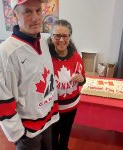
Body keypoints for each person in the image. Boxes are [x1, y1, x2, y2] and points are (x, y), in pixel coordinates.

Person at [0, 0, 59, 150]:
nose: (36, 17)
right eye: (27, 11)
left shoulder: (43, 43)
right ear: (15, 15)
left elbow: (49, 80)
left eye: (38, 10)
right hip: (27, 131)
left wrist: (53, 113)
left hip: (48, 121)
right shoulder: (4, 53)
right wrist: (19, 134)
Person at [47, 19, 86, 150]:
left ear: (70, 37)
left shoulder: (76, 57)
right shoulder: (45, 58)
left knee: (65, 135)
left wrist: (81, 79)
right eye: (57, 36)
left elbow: (83, 80)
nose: (61, 40)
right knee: (52, 138)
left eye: (65, 36)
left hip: (71, 107)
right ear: (51, 36)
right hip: (52, 108)